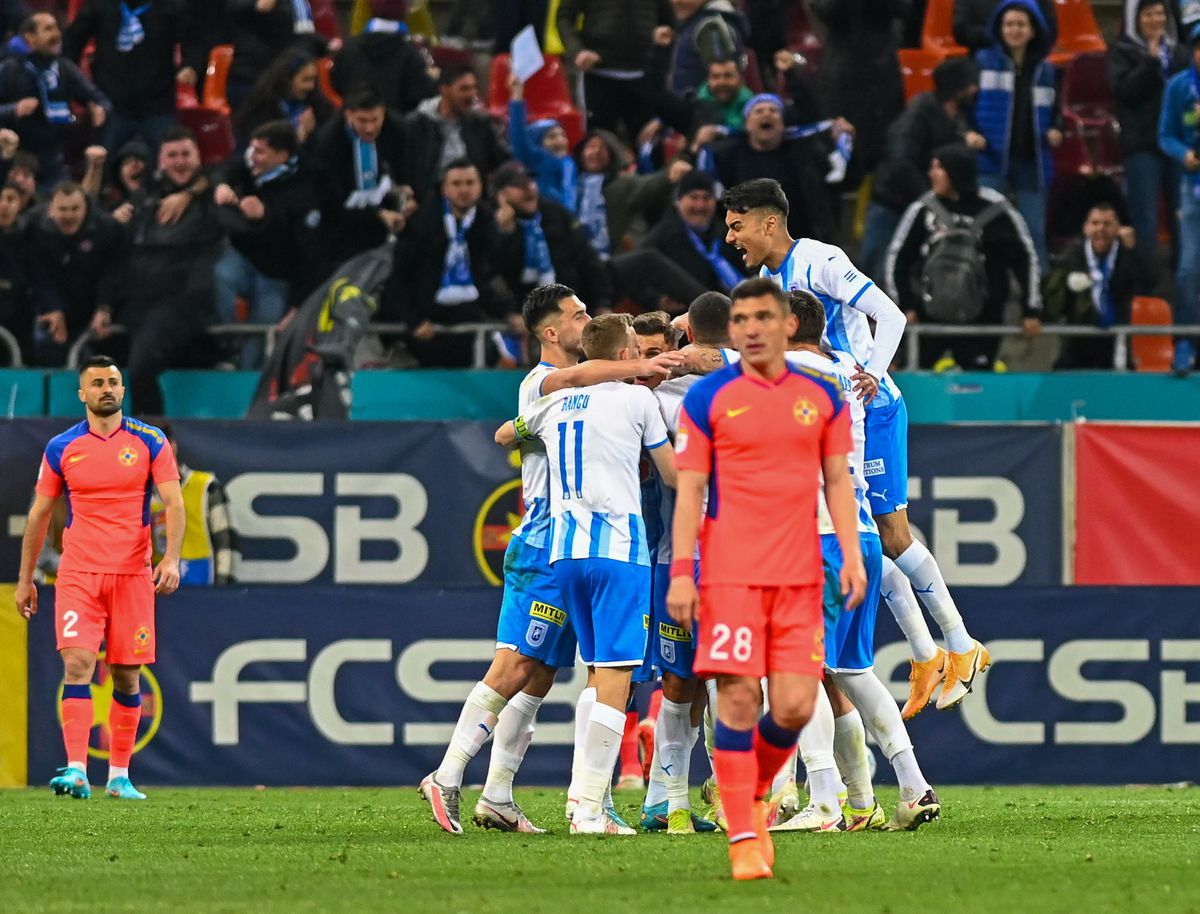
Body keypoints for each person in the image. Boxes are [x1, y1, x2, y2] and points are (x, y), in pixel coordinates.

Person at [419, 284, 684, 836]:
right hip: (546, 540)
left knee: (543, 672)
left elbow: (507, 433)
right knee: (520, 664)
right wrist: (640, 368)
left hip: (564, 545)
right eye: (576, 315)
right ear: (549, 332)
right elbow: (574, 381)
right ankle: (448, 775)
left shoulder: (582, 392)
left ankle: (499, 795)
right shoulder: (544, 382)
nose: (585, 320)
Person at [723, 177, 990, 718]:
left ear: (768, 220)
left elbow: (891, 315)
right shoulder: (767, 276)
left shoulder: (820, 259)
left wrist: (873, 373)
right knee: (860, 539)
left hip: (872, 408)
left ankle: (961, 646)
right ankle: (928, 653)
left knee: (890, 535)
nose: (731, 237)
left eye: (736, 225)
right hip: (830, 419)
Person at [667, 277, 866, 880]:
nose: (752, 328)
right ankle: (746, 836)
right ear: (732, 331)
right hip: (729, 576)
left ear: (787, 325)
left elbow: (837, 481)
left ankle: (750, 790)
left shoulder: (822, 397)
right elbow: (690, 491)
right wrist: (682, 572)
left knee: (797, 704)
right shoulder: (705, 400)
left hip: (802, 572)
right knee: (737, 697)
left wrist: (852, 556)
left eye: (763, 317)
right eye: (742, 319)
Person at [770, 291, 940, 834]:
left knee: (796, 668)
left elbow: (709, 357)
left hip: (814, 535)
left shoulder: (784, 367)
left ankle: (824, 803)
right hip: (860, 534)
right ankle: (913, 786)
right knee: (851, 669)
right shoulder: (849, 370)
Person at [508, 312, 678, 836]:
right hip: (619, 551)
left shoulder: (552, 399)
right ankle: (587, 809)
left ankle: (586, 801)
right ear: (624, 354)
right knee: (615, 677)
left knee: (594, 671)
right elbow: (673, 476)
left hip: (564, 554)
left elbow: (502, 435)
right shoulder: (638, 400)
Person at [13, 355, 183, 802]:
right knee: (77, 665)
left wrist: (171, 560)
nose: (107, 389)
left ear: (123, 391)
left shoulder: (151, 442)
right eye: (98, 383)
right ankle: (76, 770)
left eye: (114, 382)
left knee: (127, 677)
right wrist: (25, 578)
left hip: (132, 575)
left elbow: (174, 503)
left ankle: (120, 776)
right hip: (79, 573)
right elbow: (39, 514)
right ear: (82, 394)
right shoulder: (61, 448)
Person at [95, 126, 221, 416]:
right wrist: (104, 306)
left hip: (182, 300)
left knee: (141, 367)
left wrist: (190, 193)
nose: (179, 161)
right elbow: (118, 261)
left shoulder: (212, 192)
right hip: (137, 303)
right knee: (99, 361)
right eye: (172, 155)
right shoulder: (141, 201)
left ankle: (151, 445)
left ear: (199, 157)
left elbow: (229, 172)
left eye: (186, 154)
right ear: (161, 161)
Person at [885, 143, 1043, 370]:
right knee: (915, 385)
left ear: (956, 171)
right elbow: (898, 257)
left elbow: (1025, 258)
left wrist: (1031, 310)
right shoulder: (922, 209)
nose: (931, 173)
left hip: (983, 323)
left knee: (977, 388)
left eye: (939, 168)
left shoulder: (998, 210)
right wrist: (905, 306)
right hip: (928, 320)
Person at [214, 120, 324, 369]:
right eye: (253, 149)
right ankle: (228, 346)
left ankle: (245, 391)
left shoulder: (307, 188)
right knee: (220, 276)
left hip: (277, 273)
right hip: (244, 255)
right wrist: (221, 185)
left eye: (261, 151)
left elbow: (310, 254)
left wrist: (297, 306)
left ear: (282, 155)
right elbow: (222, 170)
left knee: (259, 340)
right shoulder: (250, 162)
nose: (254, 157)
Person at [381, 159, 511, 367]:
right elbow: (398, 276)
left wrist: (508, 312)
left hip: (467, 319)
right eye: (457, 184)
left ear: (480, 187)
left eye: (470, 183)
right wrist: (413, 320)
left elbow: (490, 276)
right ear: (444, 189)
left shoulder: (487, 223)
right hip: (425, 323)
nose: (464, 190)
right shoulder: (421, 222)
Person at [861, 56, 983, 278]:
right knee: (875, 269)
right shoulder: (918, 114)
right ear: (957, 88)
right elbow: (900, 161)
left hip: (919, 205)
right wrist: (930, 198)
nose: (975, 89)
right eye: (970, 84)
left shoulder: (960, 116)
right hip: (892, 203)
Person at [973, 0, 1062, 272]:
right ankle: (986, 298)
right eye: (1009, 24)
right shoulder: (982, 62)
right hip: (990, 160)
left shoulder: (1046, 71)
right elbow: (964, 106)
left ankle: (1040, 298)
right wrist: (968, 132)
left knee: (1034, 233)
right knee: (986, 231)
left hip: (1031, 163)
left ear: (1033, 30)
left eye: (1021, 24)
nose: (1015, 30)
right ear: (1000, 29)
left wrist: (1057, 129)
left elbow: (1056, 110)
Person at [1109, 0, 1189, 283]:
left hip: (1178, 147)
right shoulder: (1122, 52)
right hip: (1142, 146)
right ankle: (1146, 285)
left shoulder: (1180, 54)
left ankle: (1185, 282)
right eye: (1148, 14)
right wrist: (1150, 63)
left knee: (1185, 217)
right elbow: (1125, 93)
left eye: (1160, 14)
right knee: (1145, 220)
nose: (1156, 20)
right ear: (1135, 19)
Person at [63, 0, 203, 152]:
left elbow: (193, 40)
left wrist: (190, 66)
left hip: (158, 103)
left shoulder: (170, 5)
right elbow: (72, 43)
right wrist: (81, 92)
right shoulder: (101, 4)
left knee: (166, 162)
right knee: (105, 164)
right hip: (111, 104)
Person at [709, 93, 843, 242]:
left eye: (773, 111)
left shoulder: (804, 155)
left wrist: (844, 144)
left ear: (782, 124)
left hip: (798, 242)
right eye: (759, 111)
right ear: (747, 124)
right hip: (748, 246)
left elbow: (845, 181)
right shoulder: (728, 158)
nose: (767, 114)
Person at [0, 12, 110, 188]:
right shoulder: (11, 69)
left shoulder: (64, 68)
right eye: (48, 29)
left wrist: (99, 108)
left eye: (57, 28)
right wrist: (14, 109)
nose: (57, 34)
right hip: (17, 159)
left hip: (54, 161)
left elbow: (98, 98)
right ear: (30, 37)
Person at [491, 160, 613, 310]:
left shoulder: (555, 213)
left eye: (530, 182)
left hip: (574, 297)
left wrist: (602, 303)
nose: (529, 188)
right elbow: (499, 275)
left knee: (644, 261)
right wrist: (507, 234)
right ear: (501, 195)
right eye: (519, 185)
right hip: (526, 308)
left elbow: (587, 257)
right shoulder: (490, 223)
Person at [312, 86, 411, 264]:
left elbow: (407, 169)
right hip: (342, 230)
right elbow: (331, 200)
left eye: (375, 120)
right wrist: (377, 215)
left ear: (383, 112)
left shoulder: (397, 130)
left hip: (387, 217)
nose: (369, 128)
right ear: (348, 115)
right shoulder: (328, 143)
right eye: (362, 120)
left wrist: (407, 192)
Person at [809, 0, 906, 181]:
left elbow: (903, 8)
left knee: (885, 141)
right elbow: (825, 10)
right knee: (843, 139)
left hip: (882, 68)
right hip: (842, 70)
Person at [1044, 205, 1144, 369]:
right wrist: (1067, 284)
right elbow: (1053, 301)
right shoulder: (1071, 255)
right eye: (1095, 223)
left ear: (1118, 228)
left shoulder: (1125, 254)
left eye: (1107, 223)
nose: (1101, 229)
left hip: (1116, 339)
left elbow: (1148, 281)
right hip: (1077, 342)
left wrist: (1134, 250)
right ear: (1086, 228)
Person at [556, 0, 670, 140]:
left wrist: (661, 59)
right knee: (597, 143)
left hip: (644, 76)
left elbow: (669, 21)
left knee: (649, 146)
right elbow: (564, 18)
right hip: (598, 76)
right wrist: (577, 51)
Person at [404, 61, 511, 204]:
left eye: (474, 88)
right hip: (429, 202)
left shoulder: (480, 123)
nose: (472, 94)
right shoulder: (416, 125)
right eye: (464, 89)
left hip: (474, 202)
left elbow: (504, 158)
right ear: (444, 89)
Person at [1157, 20, 1200, 374]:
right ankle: (1184, 340)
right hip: (1192, 188)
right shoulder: (1178, 87)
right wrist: (1183, 154)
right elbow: (1165, 134)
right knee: (1187, 271)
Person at [149, 419, 237, 586]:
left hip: (202, 581)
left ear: (172, 447)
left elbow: (224, 541)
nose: (154, 455)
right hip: (159, 585)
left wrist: (223, 588)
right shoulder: (141, 493)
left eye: (158, 448)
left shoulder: (206, 486)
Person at [643, 169, 745, 292]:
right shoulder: (660, 239)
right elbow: (640, 279)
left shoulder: (728, 235)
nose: (700, 205)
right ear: (679, 200)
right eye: (694, 197)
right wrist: (658, 300)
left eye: (706, 198)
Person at [329, 0, 435, 117]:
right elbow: (422, 94)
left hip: (351, 125)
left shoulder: (347, 48)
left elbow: (336, 83)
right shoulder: (411, 54)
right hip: (396, 129)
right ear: (405, 11)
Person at [233, 49, 335, 149]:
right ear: (287, 80)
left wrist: (312, 136)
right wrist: (300, 137)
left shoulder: (319, 107)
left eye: (313, 79)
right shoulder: (263, 107)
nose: (311, 86)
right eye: (305, 80)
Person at [507, 73, 577, 213]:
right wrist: (517, 97)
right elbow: (519, 135)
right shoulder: (537, 159)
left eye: (563, 135)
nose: (560, 141)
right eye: (551, 137)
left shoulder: (571, 163)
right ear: (537, 143)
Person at [663, 0, 748, 96]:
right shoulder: (693, 24)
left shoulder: (710, 26)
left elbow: (723, 86)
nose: (675, 2)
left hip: (700, 108)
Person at [953, 0, 1058, 52]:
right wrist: (1000, 36)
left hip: (1031, 59)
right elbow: (961, 32)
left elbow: (1050, 29)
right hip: (985, 60)